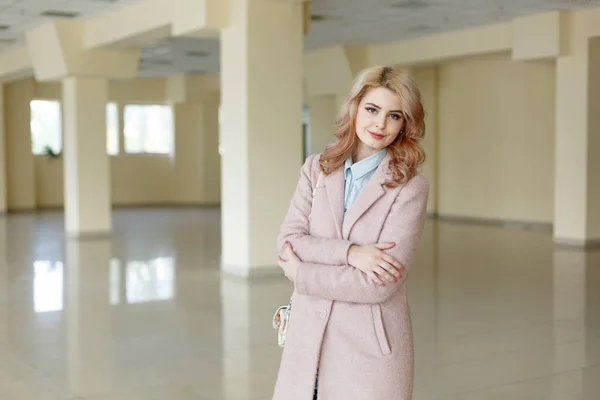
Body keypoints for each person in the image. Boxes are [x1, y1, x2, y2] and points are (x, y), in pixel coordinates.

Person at [272, 65, 429, 400]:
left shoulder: (410, 187)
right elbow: (289, 241)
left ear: (405, 123)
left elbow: (378, 284)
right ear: (355, 107)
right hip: (306, 340)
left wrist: (301, 273)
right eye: (372, 109)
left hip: (366, 353)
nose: (380, 125)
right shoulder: (316, 168)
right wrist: (351, 253)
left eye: (394, 115)